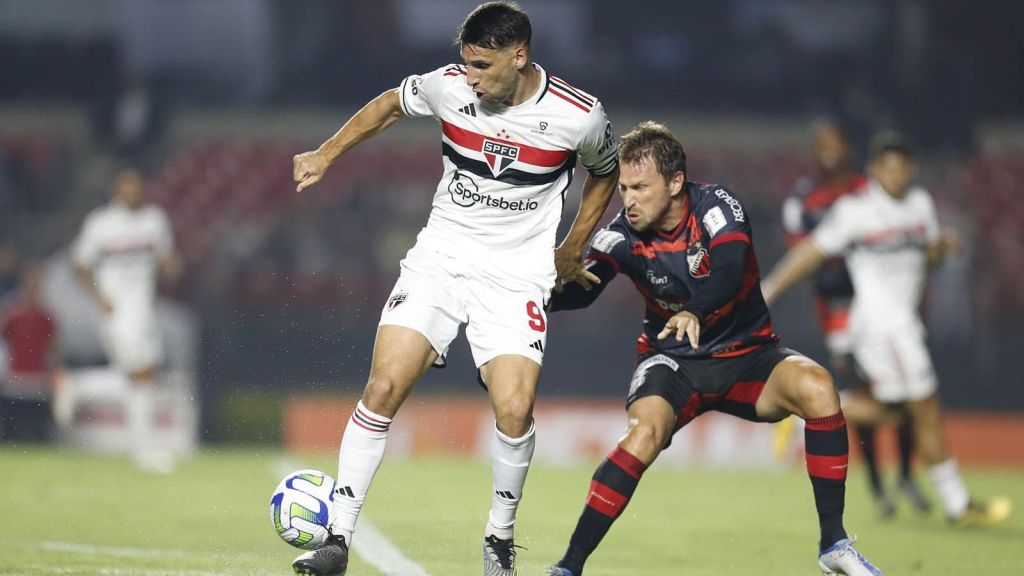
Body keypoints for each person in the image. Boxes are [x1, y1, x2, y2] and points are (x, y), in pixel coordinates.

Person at [289, 3, 620, 575]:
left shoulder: (579, 115)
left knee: (514, 409)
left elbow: (606, 172)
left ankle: (498, 540)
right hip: (441, 257)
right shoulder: (449, 87)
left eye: (482, 66)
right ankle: (337, 540)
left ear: (520, 56)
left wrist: (573, 245)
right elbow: (389, 105)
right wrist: (325, 153)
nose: (470, 77)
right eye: (465, 64)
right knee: (385, 383)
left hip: (517, 274)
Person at [545, 122, 882, 576]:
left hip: (747, 355)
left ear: (676, 182)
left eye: (640, 187)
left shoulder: (717, 208)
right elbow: (586, 288)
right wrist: (538, 295)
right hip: (673, 361)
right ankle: (569, 566)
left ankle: (833, 543)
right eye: (624, 187)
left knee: (820, 388)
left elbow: (729, 267)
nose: (628, 199)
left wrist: (696, 311)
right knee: (642, 435)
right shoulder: (622, 232)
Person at [762, 131, 1012, 528]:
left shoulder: (920, 205)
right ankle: (958, 505)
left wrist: (941, 248)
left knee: (899, 414)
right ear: (874, 170)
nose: (894, 174)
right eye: (887, 166)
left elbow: (925, 257)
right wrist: (770, 288)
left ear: (910, 170)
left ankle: (800, 416)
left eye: (901, 167)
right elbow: (811, 252)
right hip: (880, 326)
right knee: (925, 409)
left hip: (905, 322)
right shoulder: (855, 211)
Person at [775, 121, 927, 517]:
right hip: (839, 311)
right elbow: (805, 256)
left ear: (847, 147)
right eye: (821, 144)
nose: (829, 150)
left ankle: (906, 476)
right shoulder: (802, 200)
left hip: (884, 304)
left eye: (835, 142)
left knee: (905, 392)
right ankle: (880, 487)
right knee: (869, 393)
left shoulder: (867, 190)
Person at [71, 166, 181, 473]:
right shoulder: (101, 224)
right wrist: (99, 297)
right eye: (126, 186)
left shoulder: (154, 221)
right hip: (117, 309)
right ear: (117, 190)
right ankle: (76, 387)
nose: (131, 191)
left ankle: (141, 448)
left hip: (143, 309)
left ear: (142, 189)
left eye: (136, 186)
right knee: (142, 373)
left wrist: (169, 267)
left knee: (138, 376)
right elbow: (79, 264)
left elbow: (163, 259)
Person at [0, 264, 58, 442]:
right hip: (15, 380)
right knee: (10, 432)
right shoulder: (11, 312)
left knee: (37, 433)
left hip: (38, 381)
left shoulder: (46, 315)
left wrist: (53, 373)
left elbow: (54, 347)